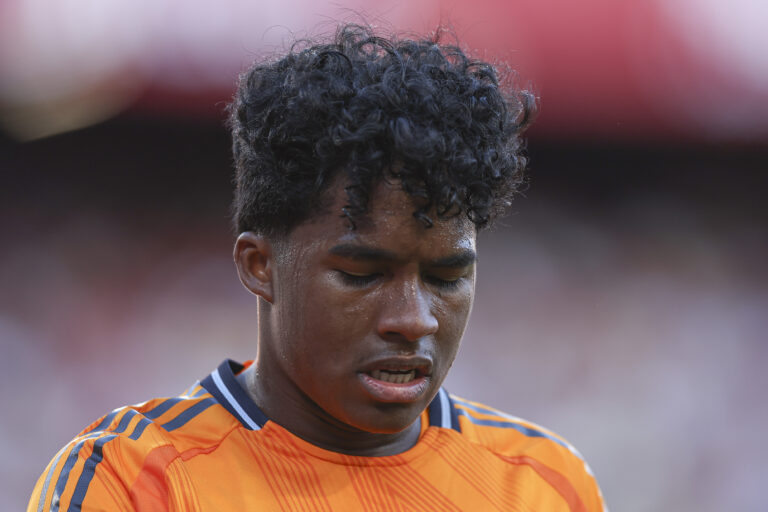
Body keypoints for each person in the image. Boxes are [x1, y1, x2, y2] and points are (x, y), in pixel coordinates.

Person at [29, 24, 605, 511]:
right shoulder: (133, 481)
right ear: (260, 266)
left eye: (446, 277)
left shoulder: (543, 484)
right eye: (362, 273)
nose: (414, 320)